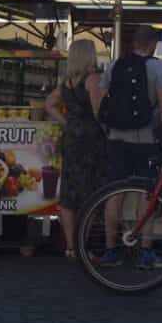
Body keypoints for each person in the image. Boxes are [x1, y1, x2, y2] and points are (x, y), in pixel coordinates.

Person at [98, 24, 162, 270]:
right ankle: (145, 251)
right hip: (146, 139)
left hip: (117, 138)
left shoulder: (115, 65)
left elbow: (101, 100)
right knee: (146, 194)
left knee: (114, 193)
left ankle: (110, 250)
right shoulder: (158, 67)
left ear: (133, 43)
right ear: (153, 44)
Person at [43, 39, 106, 260]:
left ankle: (70, 246)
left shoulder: (67, 81)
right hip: (91, 141)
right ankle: (82, 247)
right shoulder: (93, 79)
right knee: (90, 194)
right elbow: (99, 113)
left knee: (69, 194)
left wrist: (66, 122)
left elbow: (48, 104)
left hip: (71, 139)